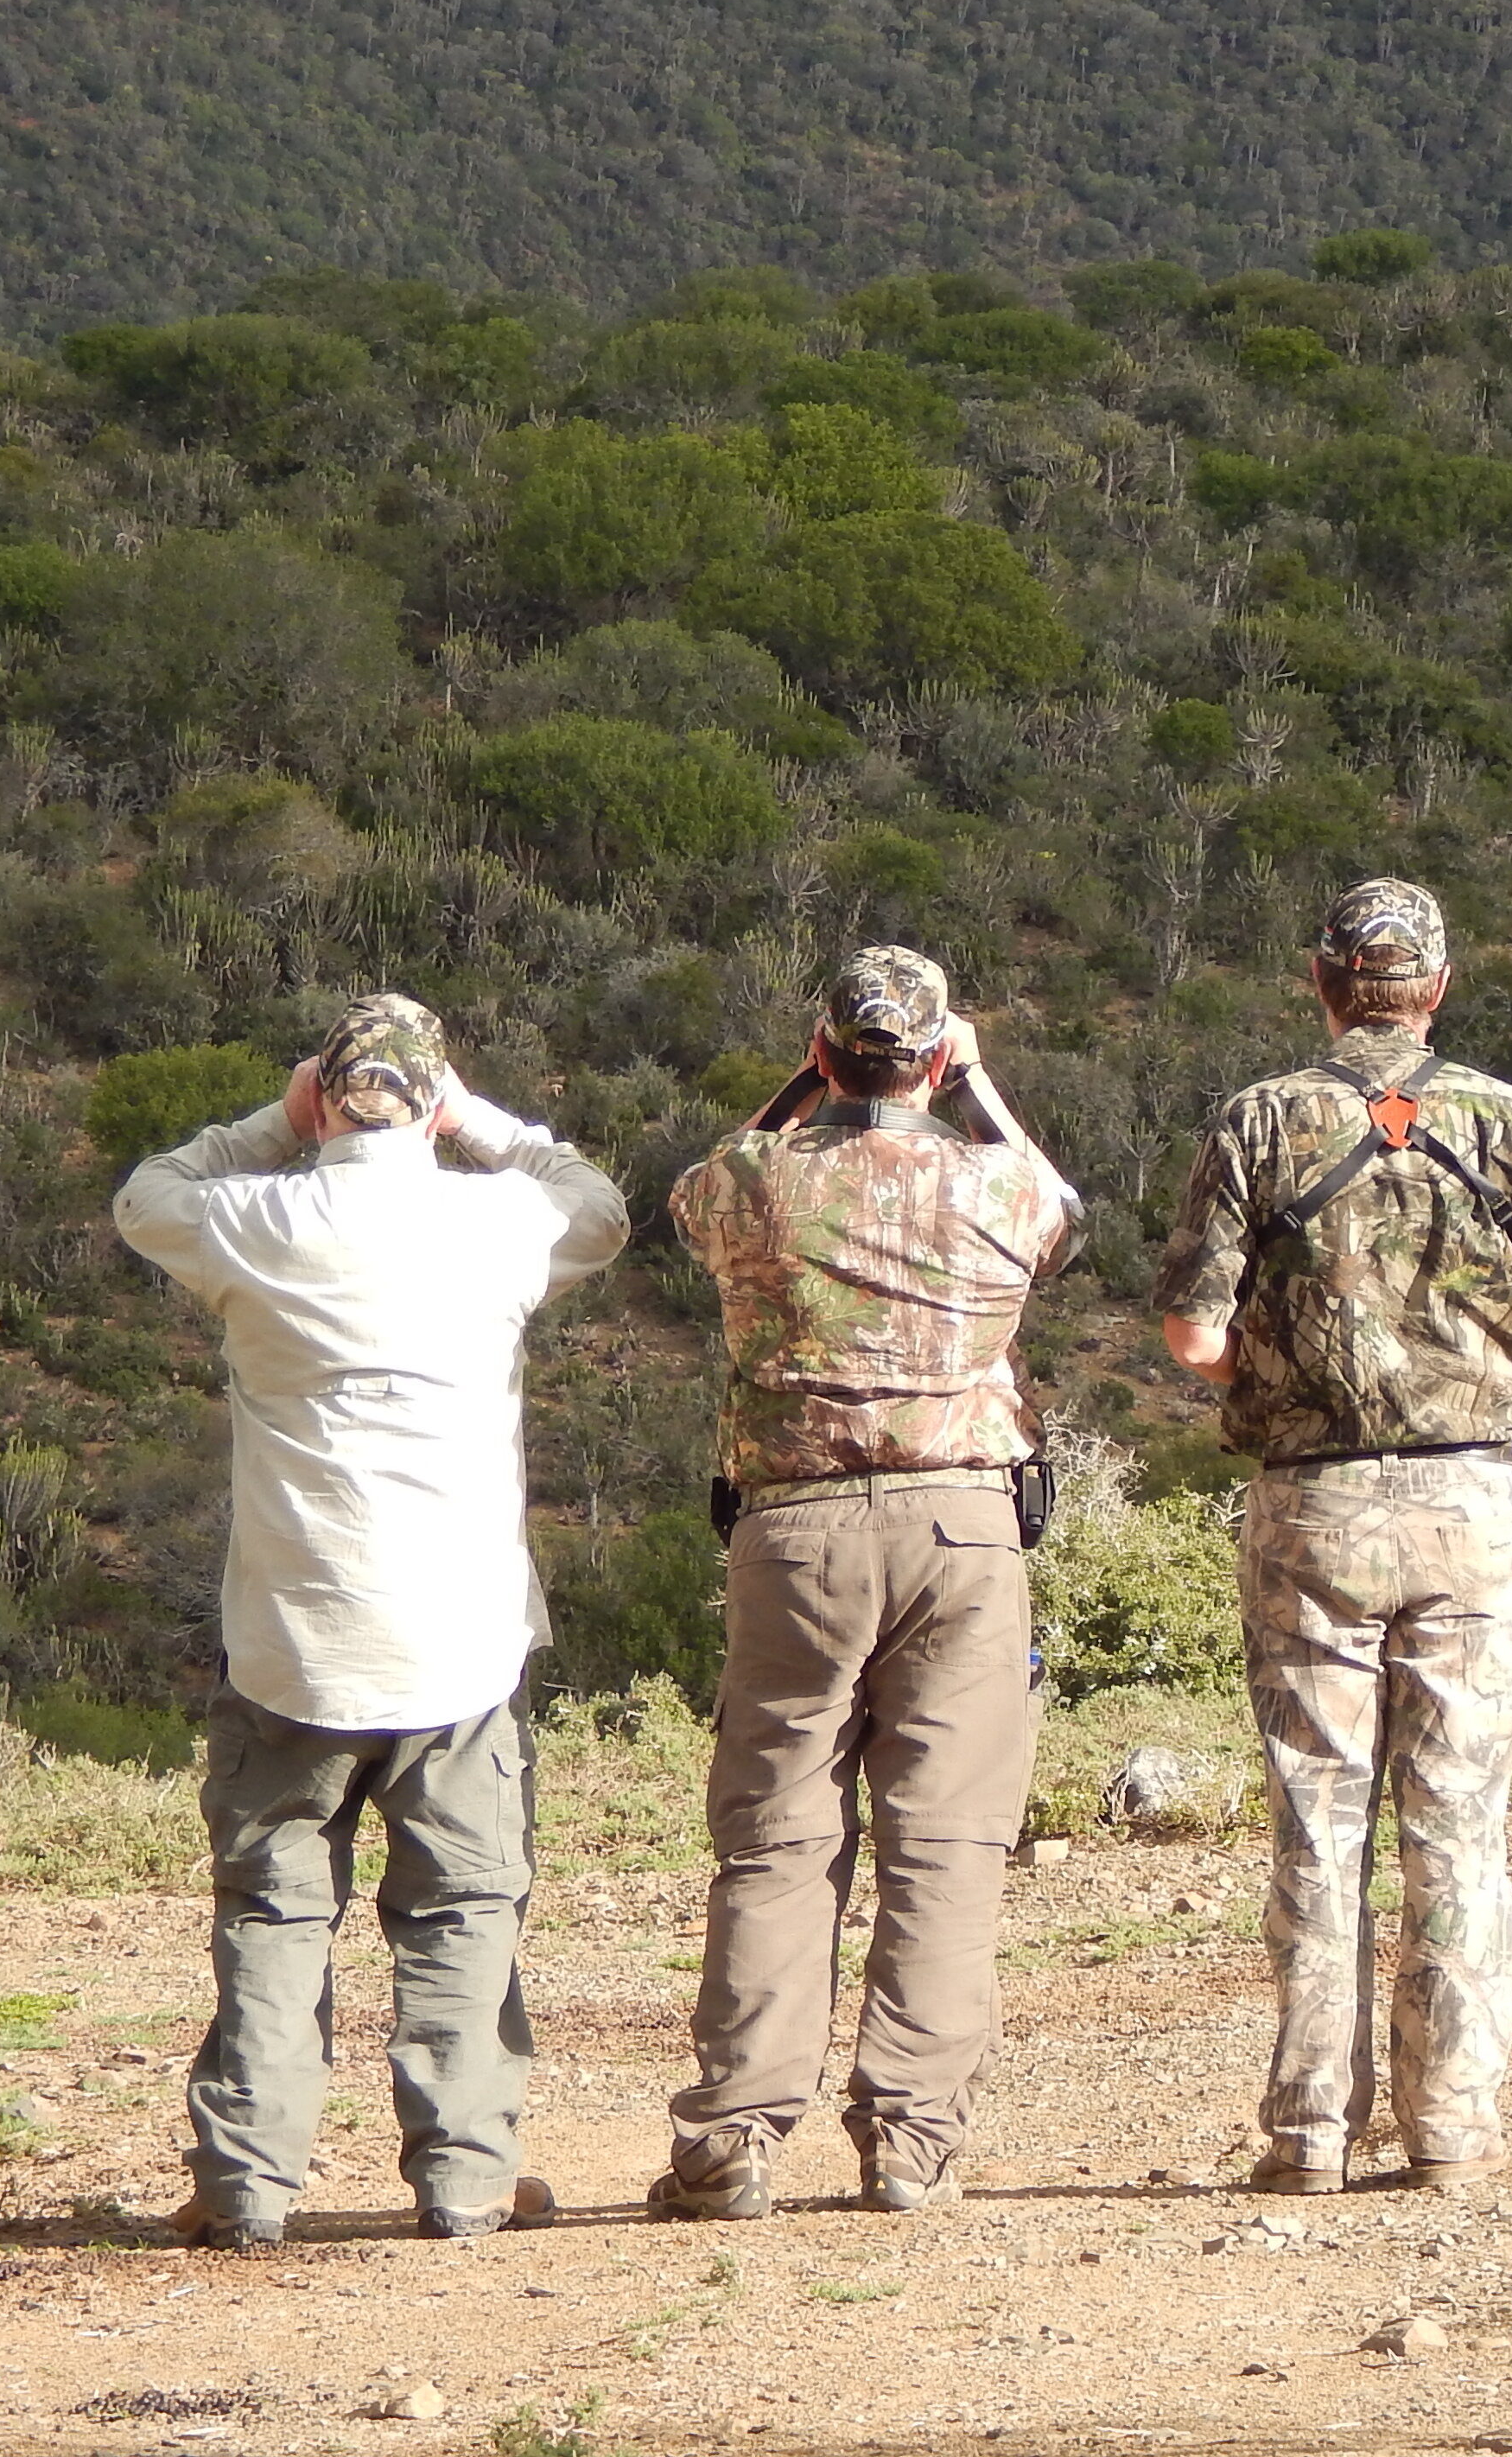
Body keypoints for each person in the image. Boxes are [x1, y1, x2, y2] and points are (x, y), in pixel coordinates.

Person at [113, 993, 628, 2252]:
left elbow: (146, 1196)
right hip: (458, 1638)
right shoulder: (499, 1221)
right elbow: (599, 1208)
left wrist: (266, 1123)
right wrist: (485, 1124)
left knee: (274, 1915)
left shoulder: (252, 1219)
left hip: (293, 1634)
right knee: (461, 1909)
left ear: (327, 1097)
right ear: (433, 1096)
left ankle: (247, 2189)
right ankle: (463, 2180)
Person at [1153, 878, 1512, 2195]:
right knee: (1460, 1823)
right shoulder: (1504, 1118)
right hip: (1472, 1503)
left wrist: (1284, 1366)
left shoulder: (1258, 1121)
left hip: (1315, 1507)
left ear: (1322, 981)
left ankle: (1306, 2134)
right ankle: (1451, 2130)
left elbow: (1192, 1337)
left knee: (1317, 1818)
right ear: (1440, 987)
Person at [654, 946, 1083, 2220]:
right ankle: (912, 2138)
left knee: (776, 1839)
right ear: (941, 1059)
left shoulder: (751, 1182)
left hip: (794, 1531)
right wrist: (976, 1085)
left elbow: (695, 1187)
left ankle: (735, 2136)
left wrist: (804, 1086)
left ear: (824, 1050)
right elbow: (1066, 1209)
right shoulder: (992, 1181)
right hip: (963, 1530)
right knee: (945, 1844)